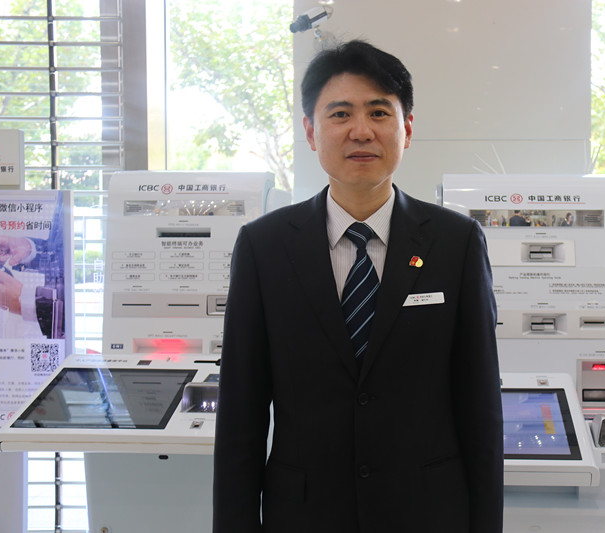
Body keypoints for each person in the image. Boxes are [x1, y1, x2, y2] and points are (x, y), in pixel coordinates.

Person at [213, 40, 503, 533]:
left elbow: (480, 405)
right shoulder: (264, 246)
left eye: (379, 112)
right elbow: (241, 411)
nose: (361, 131)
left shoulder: (456, 243)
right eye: (341, 113)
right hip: (305, 515)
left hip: (427, 513)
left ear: (406, 128)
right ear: (311, 131)